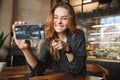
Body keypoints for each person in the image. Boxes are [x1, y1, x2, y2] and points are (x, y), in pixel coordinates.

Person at [12, 2, 87, 76]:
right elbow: (39, 70)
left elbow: (78, 70)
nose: (59, 21)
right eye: (55, 17)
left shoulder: (77, 35)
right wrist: (26, 49)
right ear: (51, 18)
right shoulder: (48, 37)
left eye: (64, 18)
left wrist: (67, 48)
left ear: (70, 20)